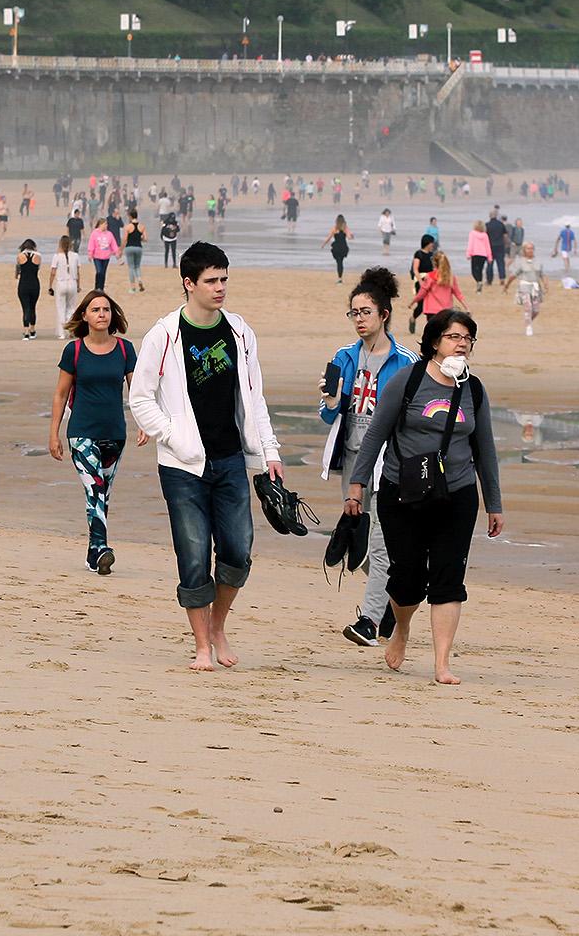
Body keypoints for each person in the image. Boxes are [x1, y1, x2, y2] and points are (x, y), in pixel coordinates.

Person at [127, 242, 285, 672]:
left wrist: (269, 451)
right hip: (182, 466)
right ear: (189, 283)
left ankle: (218, 626)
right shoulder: (164, 334)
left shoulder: (239, 331)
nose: (220, 288)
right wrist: (172, 436)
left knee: (238, 550)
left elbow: (255, 399)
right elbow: (140, 399)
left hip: (232, 458)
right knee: (193, 554)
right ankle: (202, 645)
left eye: (224, 279)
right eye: (212, 281)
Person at [344, 308, 503, 685]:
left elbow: (486, 451)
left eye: (467, 338)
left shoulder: (474, 390)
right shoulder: (408, 380)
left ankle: (442, 662)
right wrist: (357, 483)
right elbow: (376, 434)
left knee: (449, 577)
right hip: (403, 491)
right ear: (435, 341)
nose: (461, 344)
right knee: (407, 577)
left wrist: (494, 504)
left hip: (457, 494)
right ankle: (401, 628)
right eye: (454, 337)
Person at [320, 266, 415, 647]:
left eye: (366, 312)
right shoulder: (344, 357)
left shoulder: (405, 362)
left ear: (384, 315)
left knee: (379, 542)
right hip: (353, 460)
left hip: (390, 462)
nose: (359, 320)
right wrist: (329, 403)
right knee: (358, 543)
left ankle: (369, 621)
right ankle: (394, 603)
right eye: (354, 313)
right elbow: (329, 413)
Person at [52, 289, 138, 575]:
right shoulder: (74, 351)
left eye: (106, 310)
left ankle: (93, 555)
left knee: (102, 496)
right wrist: (54, 433)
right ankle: (102, 548)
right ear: (85, 316)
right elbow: (61, 394)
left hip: (115, 433)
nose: (102, 314)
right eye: (95, 310)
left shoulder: (125, 350)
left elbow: (136, 393)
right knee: (95, 489)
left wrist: (144, 424)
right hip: (81, 432)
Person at [415, 251, 470, 325]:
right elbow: (458, 294)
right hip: (446, 311)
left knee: (432, 333)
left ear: (434, 263)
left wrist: (413, 302)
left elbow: (423, 292)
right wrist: (467, 307)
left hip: (431, 310)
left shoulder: (430, 276)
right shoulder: (450, 277)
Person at [47, 234, 83, 329]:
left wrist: (50, 286)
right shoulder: (75, 256)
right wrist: (78, 285)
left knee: (61, 308)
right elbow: (78, 272)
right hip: (72, 283)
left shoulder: (57, 256)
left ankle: (61, 332)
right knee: (71, 308)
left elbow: (53, 272)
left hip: (61, 283)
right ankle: (71, 328)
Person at [512, 242, 546, 335]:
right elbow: (514, 275)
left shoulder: (538, 261)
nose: (530, 250)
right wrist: (506, 285)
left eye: (531, 248)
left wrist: (545, 284)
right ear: (524, 250)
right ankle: (528, 327)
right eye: (528, 248)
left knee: (536, 310)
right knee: (528, 307)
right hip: (524, 287)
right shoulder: (520, 261)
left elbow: (542, 274)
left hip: (535, 287)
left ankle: (528, 321)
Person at [15, 238, 43, 340]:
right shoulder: (38, 256)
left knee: (25, 308)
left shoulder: (20, 256)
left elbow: (18, 270)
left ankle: (26, 332)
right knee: (32, 307)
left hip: (23, 284)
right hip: (34, 284)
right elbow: (38, 268)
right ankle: (32, 330)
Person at [86, 220, 118, 292]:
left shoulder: (109, 234)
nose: (106, 225)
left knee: (103, 272)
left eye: (107, 224)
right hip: (97, 256)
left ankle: (101, 288)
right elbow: (91, 244)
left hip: (106, 257)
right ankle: (97, 287)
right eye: (105, 224)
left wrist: (116, 253)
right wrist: (90, 254)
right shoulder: (94, 233)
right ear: (100, 224)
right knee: (99, 271)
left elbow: (113, 244)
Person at [123, 215, 147, 292]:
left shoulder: (128, 227)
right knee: (137, 266)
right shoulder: (142, 226)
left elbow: (125, 239)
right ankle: (139, 279)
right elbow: (145, 238)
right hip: (138, 248)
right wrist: (139, 238)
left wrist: (120, 249)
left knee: (131, 267)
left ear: (130, 217)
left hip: (129, 247)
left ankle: (133, 287)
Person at [326, 214, 352, 282]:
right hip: (343, 247)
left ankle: (339, 278)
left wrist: (323, 244)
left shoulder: (334, 228)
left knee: (339, 262)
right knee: (341, 262)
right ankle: (340, 278)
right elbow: (349, 237)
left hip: (336, 247)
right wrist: (352, 236)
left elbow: (329, 238)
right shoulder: (345, 228)